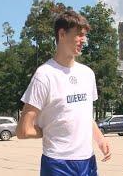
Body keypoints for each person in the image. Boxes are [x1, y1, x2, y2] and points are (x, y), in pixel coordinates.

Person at [15, 10, 111, 176]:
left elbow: (86, 116)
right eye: (79, 35)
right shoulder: (44, 75)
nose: (84, 40)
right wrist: (49, 130)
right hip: (58, 164)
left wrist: (100, 140)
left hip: (88, 161)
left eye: (85, 35)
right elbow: (23, 130)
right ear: (62, 34)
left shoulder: (87, 74)